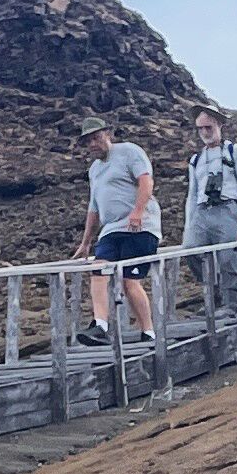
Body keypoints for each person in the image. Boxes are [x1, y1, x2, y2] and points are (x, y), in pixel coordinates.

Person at [77, 116, 157, 344]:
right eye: (88, 141)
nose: (93, 144)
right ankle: (100, 325)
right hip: (111, 229)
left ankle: (148, 331)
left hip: (139, 227)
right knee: (98, 269)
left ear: (108, 134)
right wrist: (86, 242)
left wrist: (137, 212)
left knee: (129, 280)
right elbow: (94, 207)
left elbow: (146, 181)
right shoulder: (94, 170)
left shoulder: (129, 152)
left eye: (96, 138)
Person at [180, 107, 237, 313]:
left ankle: (233, 303)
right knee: (191, 249)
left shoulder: (234, 151)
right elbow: (192, 193)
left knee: (227, 257)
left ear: (219, 125)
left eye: (209, 127)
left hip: (227, 207)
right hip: (202, 209)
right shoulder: (196, 159)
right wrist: (189, 223)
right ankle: (214, 296)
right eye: (201, 128)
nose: (205, 132)